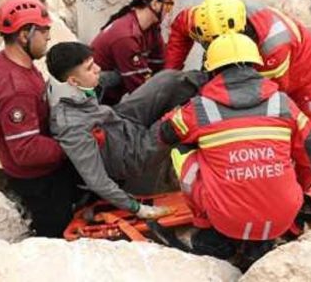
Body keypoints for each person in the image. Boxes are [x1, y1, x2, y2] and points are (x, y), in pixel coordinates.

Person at [157, 33, 311, 265]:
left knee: (182, 151)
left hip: (226, 220)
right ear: (254, 66)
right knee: (292, 148)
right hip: (283, 217)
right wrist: (298, 187)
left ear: (212, 70)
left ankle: (205, 227)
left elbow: (165, 133)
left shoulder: (199, 109)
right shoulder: (282, 103)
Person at [165, 0, 311, 160]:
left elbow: (267, 103)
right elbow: (180, 30)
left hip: (308, 78)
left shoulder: (273, 47)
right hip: (267, 65)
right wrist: (169, 76)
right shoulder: (202, 20)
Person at [46, 41, 205, 217]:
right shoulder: (72, 128)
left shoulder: (75, 89)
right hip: (131, 154)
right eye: (90, 68)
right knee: (181, 119)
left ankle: (214, 79)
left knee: (168, 80)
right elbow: (97, 180)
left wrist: (124, 74)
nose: (98, 69)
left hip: (119, 122)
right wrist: (137, 208)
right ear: (73, 81)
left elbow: (104, 79)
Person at [0, 0, 79, 238]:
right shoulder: (16, 89)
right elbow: (26, 150)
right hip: (39, 179)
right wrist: (73, 145)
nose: (48, 36)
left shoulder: (3, 62)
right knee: (57, 234)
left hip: (36, 166)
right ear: (25, 35)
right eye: (44, 31)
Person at [91, 0, 178, 105]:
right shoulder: (126, 36)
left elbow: (160, 65)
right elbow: (141, 90)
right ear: (155, 4)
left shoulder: (151, 28)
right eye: (168, 6)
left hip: (118, 89)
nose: (169, 12)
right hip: (98, 98)